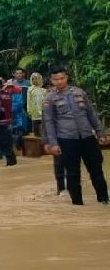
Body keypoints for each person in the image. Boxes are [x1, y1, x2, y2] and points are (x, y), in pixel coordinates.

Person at [42, 67, 108, 206]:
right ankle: (77, 204)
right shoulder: (49, 98)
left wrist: (100, 132)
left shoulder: (79, 92)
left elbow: (91, 114)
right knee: (72, 172)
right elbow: (48, 122)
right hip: (66, 139)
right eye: (56, 79)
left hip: (87, 137)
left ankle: (104, 199)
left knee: (96, 169)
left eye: (62, 78)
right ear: (51, 81)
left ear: (67, 77)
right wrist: (52, 143)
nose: (59, 81)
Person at [0, 78, 18, 166]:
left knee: (3, 145)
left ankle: (11, 163)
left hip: (0, 124)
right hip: (8, 123)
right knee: (8, 144)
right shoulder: (8, 95)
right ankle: (13, 162)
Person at [27, 72, 46, 137]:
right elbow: (28, 100)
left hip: (43, 110)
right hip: (34, 111)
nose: (34, 80)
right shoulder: (30, 89)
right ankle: (36, 139)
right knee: (35, 126)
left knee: (43, 125)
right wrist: (29, 110)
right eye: (33, 79)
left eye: (36, 78)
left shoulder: (44, 90)